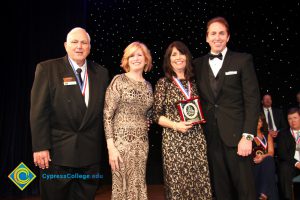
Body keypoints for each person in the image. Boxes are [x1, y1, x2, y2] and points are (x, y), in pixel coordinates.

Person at [30, 27, 109, 200]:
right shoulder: (47, 68)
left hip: (89, 155)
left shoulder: (102, 73)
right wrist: (40, 146)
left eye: (84, 42)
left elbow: (107, 111)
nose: (79, 46)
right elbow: (38, 112)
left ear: (89, 47)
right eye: (74, 42)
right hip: (57, 155)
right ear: (66, 45)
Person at [193, 16, 260, 199]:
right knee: (220, 189)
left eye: (221, 33)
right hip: (210, 138)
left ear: (228, 37)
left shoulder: (242, 60)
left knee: (245, 189)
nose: (217, 37)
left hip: (238, 138)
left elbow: (253, 100)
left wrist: (247, 136)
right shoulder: (197, 64)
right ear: (206, 37)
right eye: (213, 33)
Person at [153, 41, 212, 199]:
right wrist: (175, 125)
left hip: (197, 140)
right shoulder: (163, 83)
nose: (178, 57)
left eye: (181, 53)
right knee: (178, 185)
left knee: (200, 182)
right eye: (174, 54)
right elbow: (156, 115)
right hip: (174, 141)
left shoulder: (196, 82)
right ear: (168, 59)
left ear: (187, 56)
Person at [103, 41, 153, 200]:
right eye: (132, 55)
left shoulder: (148, 86)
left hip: (142, 144)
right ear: (126, 60)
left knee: (139, 183)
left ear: (146, 60)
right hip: (121, 144)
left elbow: (148, 113)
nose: (136, 58)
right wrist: (111, 147)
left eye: (139, 55)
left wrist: (148, 120)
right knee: (122, 186)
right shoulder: (119, 81)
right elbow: (107, 115)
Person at [253, 114, 279, 200]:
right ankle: (265, 193)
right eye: (256, 120)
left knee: (269, 159)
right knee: (270, 171)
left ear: (262, 123)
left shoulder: (267, 135)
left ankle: (263, 193)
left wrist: (262, 157)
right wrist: (257, 159)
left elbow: (271, 152)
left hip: (266, 164)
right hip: (254, 164)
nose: (257, 123)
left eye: (260, 121)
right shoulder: (248, 136)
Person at [277, 108, 300, 200]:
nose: (292, 121)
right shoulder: (283, 134)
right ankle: (288, 198)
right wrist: (297, 163)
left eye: (295, 118)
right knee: (284, 167)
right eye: (290, 118)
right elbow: (282, 153)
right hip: (292, 164)